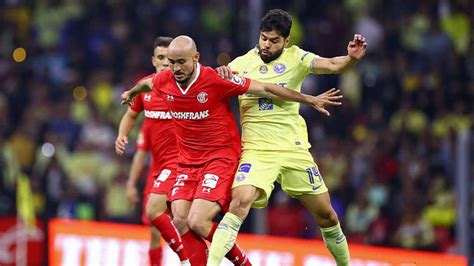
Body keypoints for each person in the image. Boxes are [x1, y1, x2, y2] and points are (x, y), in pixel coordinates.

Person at [121, 35, 343, 265]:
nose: (175, 68)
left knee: (197, 220)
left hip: (220, 158)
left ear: (196, 58)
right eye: (172, 62)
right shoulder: (163, 80)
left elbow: (266, 88)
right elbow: (145, 84)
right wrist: (131, 93)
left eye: (182, 62)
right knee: (179, 220)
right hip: (187, 162)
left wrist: (308, 99)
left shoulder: (214, 80)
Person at [208, 9, 367, 266]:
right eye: (263, 38)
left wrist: (351, 59)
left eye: (273, 40)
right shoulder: (240, 64)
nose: (266, 45)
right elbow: (210, 85)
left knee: (327, 216)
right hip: (257, 151)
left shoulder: (298, 58)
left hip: (293, 149)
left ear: (286, 41)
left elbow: (333, 64)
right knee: (239, 202)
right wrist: (220, 75)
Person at [115, 36, 192, 266]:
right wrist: (121, 135)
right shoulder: (146, 92)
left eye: (169, 59)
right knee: (154, 227)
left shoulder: (183, 89)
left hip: (181, 165)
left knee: (180, 219)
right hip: (157, 171)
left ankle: (190, 258)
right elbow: (133, 124)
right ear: (153, 60)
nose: (165, 64)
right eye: (161, 58)